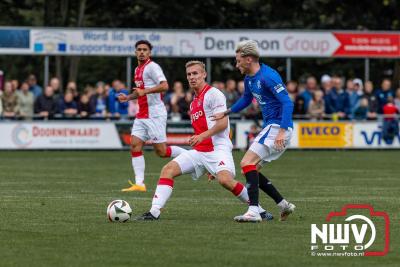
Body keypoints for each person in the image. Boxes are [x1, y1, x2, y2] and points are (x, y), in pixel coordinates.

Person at [137, 60, 271, 221]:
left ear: (204, 74)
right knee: (168, 170)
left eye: (195, 73)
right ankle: (154, 212)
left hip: (218, 149)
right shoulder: (193, 102)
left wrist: (202, 137)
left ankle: (260, 211)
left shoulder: (214, 94)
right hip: (201, 152)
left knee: (225, 180)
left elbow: (222, 123)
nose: (192, 77)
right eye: (189, 74)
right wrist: (206, 159)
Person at [212, 40, 295, 222]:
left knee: (246, 162)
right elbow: (246, 99)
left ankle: (254, 211)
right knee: (252, 169)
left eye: (238, 60)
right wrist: (226, 112)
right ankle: (283, 205)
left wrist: (282, 131)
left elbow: (287, 102)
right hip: (272, 127)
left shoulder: (268, 76)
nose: (236, 64)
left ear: (248, 59)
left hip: (277, 127)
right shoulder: (250, 78)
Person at [117, 40, 186, 192]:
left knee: (161, 152)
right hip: (142, 114)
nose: (142, 52)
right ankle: (140, 184)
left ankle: (193, 157)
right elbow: (140, 91)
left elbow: (165, 86)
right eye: (139, 49)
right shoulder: (137, 69)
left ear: (150, 53)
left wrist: (145, 91)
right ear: (135, 52)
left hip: (155, 114)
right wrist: (128, 97)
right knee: (135, 145)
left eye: (145, 50)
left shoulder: (153, 67)